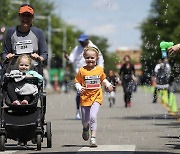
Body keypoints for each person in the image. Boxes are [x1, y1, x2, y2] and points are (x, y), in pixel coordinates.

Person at [74, 46, 113, 147]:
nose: (90, 60)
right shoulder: (82, 70)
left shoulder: (99, 70)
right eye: (88, 58)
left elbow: (103, 80)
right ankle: (85, 128)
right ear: (84, 58)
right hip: (85, 98)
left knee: (93, 116)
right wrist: (78, 87)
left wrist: (108, 85)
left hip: (96, 97)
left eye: (92, 58)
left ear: (97, 58)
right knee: (85, 120)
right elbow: (77, 81)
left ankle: (93, 138)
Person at [65, 33, 104, 119]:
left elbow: (100, 59)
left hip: (92, 74)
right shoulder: (77, 48)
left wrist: (100, 71)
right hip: (80, 74)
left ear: (87, 40)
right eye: (80, 42)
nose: (81, 43)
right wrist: (68, 58)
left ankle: (90, 111)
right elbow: (72, 59)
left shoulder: (94, 48)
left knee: (91, 93)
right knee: (80, 93)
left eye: (83, 42)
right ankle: (79, 111)